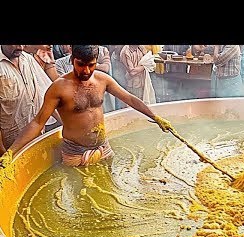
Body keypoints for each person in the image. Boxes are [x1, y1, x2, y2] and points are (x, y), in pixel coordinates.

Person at [2, 45, 171, 169]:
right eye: (80, 64)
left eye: (91, 65)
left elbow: (130, 99)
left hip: (103, 146)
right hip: (74, 153)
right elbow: (38, 122)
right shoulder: (59, 88)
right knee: (80, 200)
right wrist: (11, 152)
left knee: (108, 190)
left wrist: (156, 117)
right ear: (72, 60)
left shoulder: (103, 79)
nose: (86, 70)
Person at [0, 45, 61, 237]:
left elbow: (51, 94)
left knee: (36, 197)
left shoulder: (27, 60)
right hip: (7, 147)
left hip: (35, 138)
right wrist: (3, 152)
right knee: (5, 206)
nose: (22, 47)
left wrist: (68, 126)